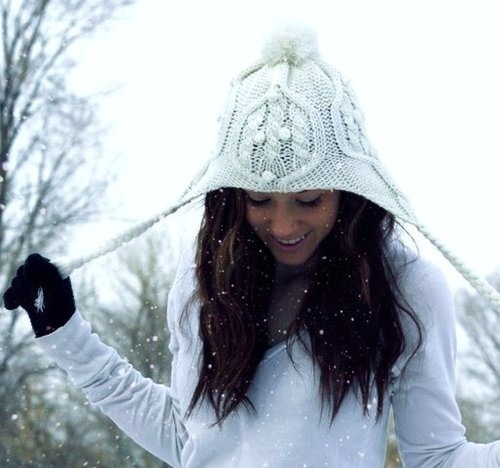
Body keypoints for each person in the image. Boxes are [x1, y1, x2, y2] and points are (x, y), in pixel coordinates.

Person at [3, 25, 500, 468]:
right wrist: (65, 334)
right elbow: (188, 439)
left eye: (309, 199)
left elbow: (438, 458)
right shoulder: (205, 279)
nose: (283, 224)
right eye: (260, 199)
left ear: (348, 192)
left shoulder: (405, 288)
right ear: (232, 195)